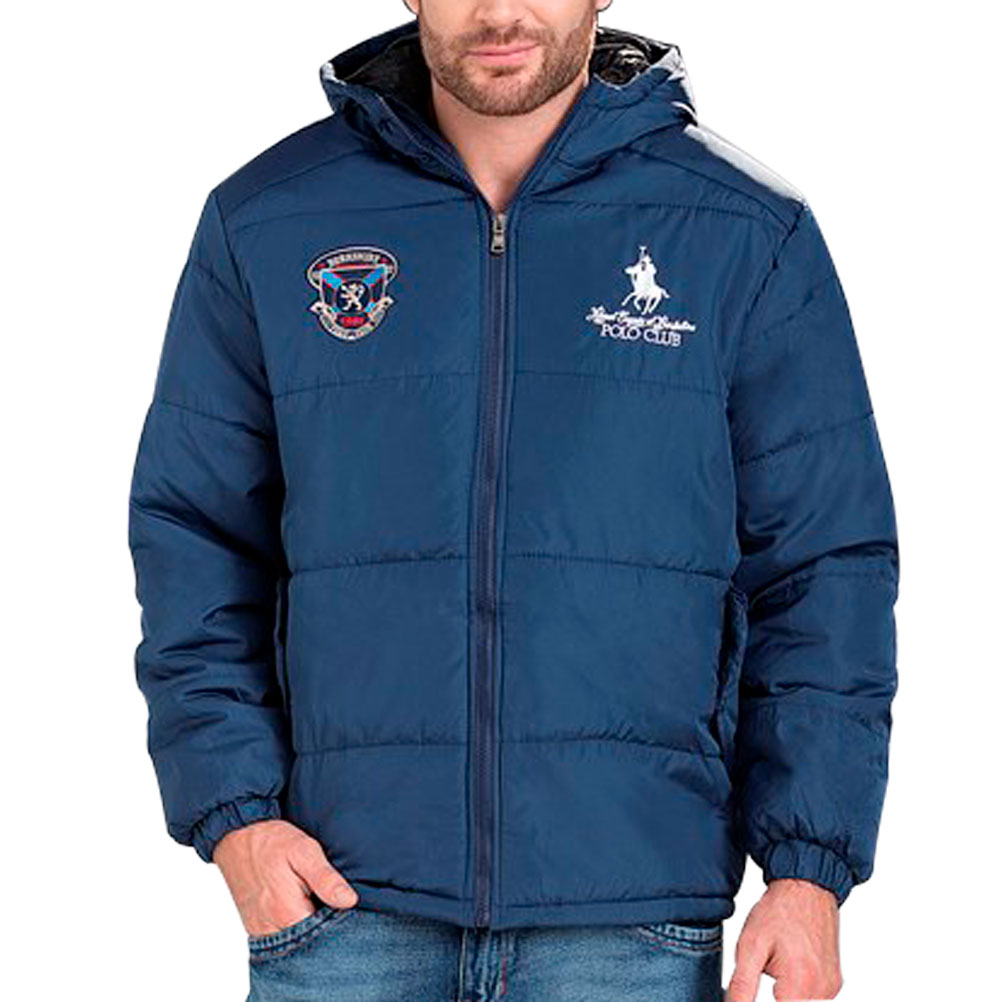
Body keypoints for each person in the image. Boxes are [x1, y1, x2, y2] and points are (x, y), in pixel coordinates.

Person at [126, 3, 900, 1000]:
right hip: (341, 909)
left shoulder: (744, 232)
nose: (498, 12)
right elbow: (195, 535)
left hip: (629, 919)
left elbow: (823, 566)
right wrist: (235, 816)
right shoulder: (270, 221)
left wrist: (807, 869)